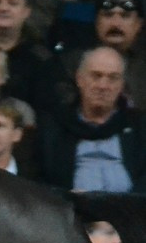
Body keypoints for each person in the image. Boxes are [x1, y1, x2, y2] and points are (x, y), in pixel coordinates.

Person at [38, 46, 146, 192]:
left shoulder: (139, 126)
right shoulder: (54, 126)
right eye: (96, 76)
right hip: (71, 210)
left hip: (129, 211)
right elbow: (42, 181)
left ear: (121, 85)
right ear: (79, 79)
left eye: (113, 78)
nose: (103, 86)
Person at [59, 0, 146, 109]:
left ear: (139, 24)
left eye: (125, 16)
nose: (115, 23)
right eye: (108, 15)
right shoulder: (71, 63)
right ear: (96, 21)